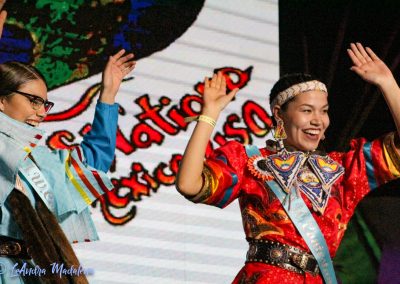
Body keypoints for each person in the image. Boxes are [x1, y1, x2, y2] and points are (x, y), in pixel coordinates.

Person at [176, 42, 400, 283]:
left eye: (323, 111)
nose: (318, 120)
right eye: (307, 110)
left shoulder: (343, 170)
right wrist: (209, 114)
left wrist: (388, 84)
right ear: (279, 114)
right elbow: (189, 185)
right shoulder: (251, 160)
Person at [0, 6, 136, 283]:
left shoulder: (42, 159)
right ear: (2, 99)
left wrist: (108, 93)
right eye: (33, 100)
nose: (41, 111)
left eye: (45, 103)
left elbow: (95, 159)